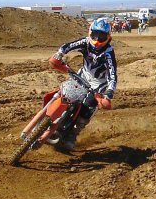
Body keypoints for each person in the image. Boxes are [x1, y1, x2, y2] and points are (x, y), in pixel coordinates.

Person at [46, 17, 117, 152]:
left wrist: (109, 93)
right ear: (90, 32)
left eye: (101, 36)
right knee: (63, 91)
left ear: (107, 37)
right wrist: (59, 54)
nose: (97, 39)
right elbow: (67, 46)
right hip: (82, 75)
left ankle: (72, 134)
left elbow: (113, 75)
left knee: (87, 108)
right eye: (95, 34)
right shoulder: (85, 42)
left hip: (98, 84)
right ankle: (49, 114)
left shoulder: (108, 52)